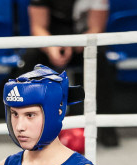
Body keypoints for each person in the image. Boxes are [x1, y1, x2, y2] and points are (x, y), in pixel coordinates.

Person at [25, 0, 119, 148]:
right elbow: (38, 27)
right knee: (30, 58)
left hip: (83, 42)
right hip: (50, 41)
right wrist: (51, 48)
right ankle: (29, 131)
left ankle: (106, 129)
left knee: (101, 59)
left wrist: (74, 45)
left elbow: (96, 28)